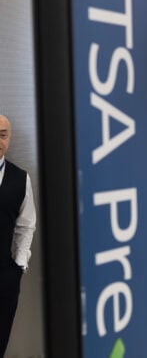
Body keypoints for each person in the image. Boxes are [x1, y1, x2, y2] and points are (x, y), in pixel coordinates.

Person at [0, 115, 36, 357]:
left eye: (2, 134)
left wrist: (19, 265)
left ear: (9, 138)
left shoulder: (21, 178)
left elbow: (26, 226)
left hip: (4, 277)